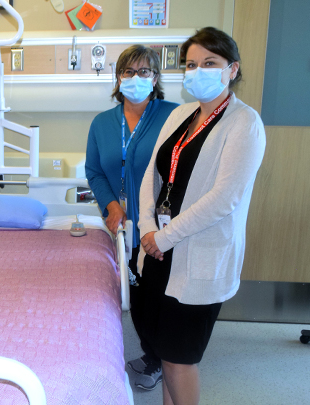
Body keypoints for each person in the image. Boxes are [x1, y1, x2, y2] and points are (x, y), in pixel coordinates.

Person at [136, 27, 265, 404]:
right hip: (159, 249)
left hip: (196, 251)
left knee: (180, 359)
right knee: (164, 352)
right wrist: (147, 228)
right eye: (192, 64)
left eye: (210, 63)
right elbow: (152, 176)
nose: (198, 71)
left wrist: (164, 236)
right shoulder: (180, 114)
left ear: (233, 69)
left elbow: (225, 198)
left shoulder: (244, 124)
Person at [85, 44, 179, 390]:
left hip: (161, 227)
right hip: (122, 227)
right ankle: (154, 355)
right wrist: (111, 205)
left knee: (162, 295)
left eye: (144, 72)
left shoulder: (175, 116)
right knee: (137, 296)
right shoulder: (102, 123)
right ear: (118, 77)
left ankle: (165, 358)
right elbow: (94, 171)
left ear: (155, 79)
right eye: (128, 71)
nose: (135, 79)